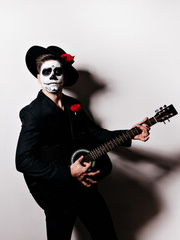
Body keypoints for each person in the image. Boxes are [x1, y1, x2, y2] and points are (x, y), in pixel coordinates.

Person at [15, 45, 150, 240]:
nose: (52, 76)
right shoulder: (33, 113)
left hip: (84, 186)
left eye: (57, 71)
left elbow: (96, 134)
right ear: (39, 77)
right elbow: (23, 161)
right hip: (56, 192)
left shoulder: (73, 105)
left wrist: (131, 134)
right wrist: (68, 172)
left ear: (63, 76)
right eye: (46, 72)